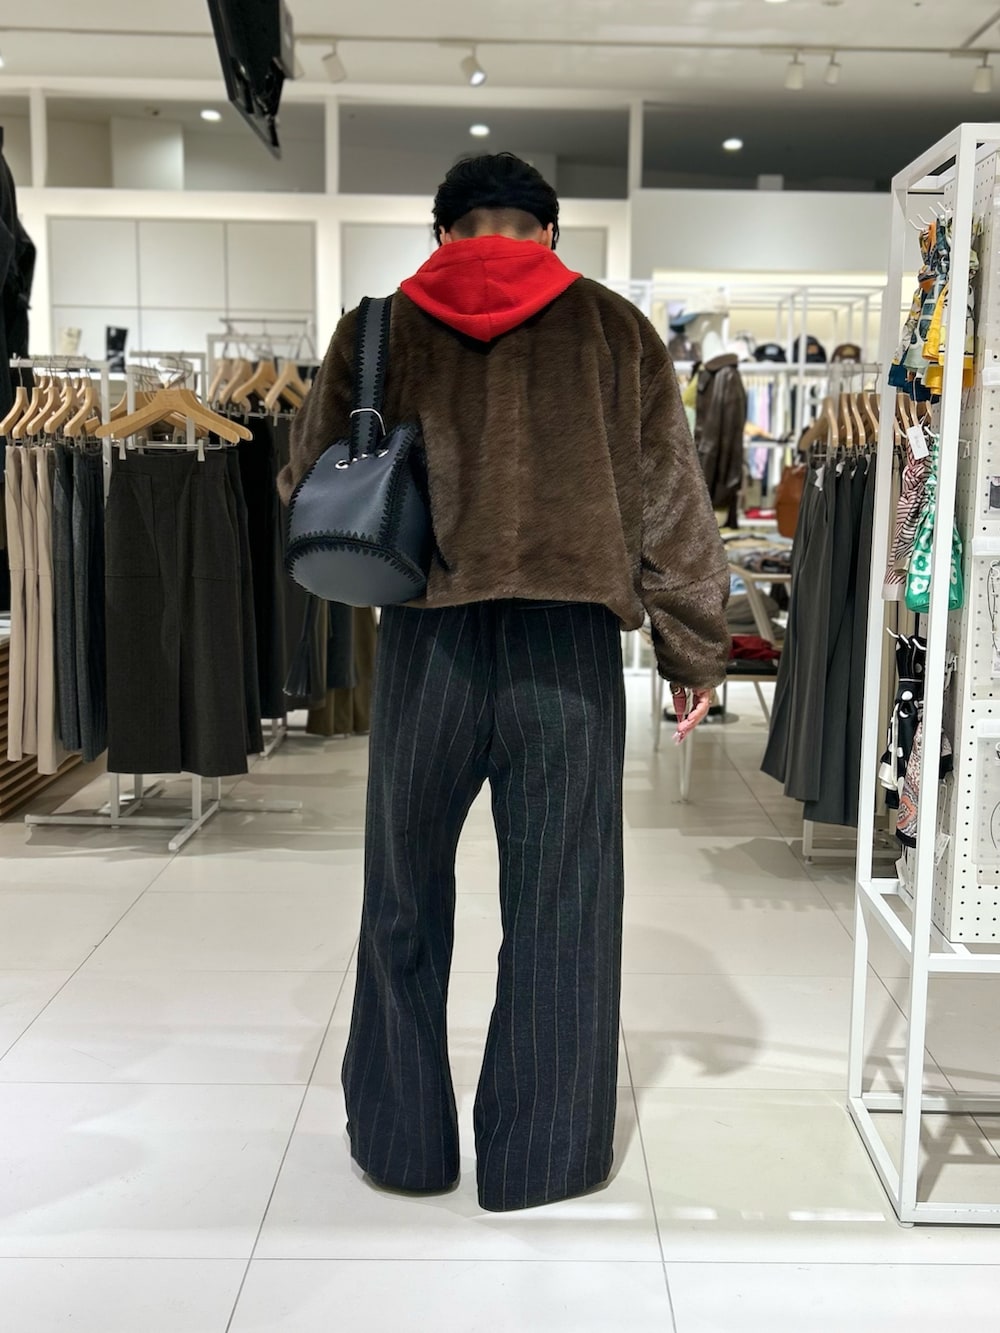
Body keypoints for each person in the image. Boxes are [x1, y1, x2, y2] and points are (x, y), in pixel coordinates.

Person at [279, 153, 730, 1213]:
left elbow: (306, 480)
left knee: (402, 893)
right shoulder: (615, 331)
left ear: (443, 232)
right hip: (566, 650)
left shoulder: (378, 328)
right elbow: (671, 499)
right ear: (549, 231)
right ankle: (542, 1157)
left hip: (426, 641)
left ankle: (402, 1145)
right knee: (564, 900)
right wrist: (693, 649)